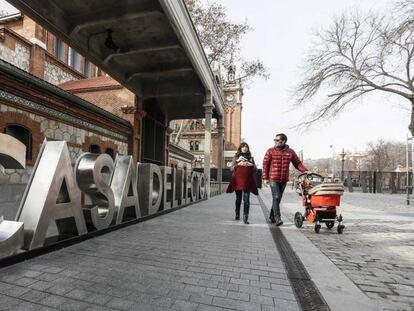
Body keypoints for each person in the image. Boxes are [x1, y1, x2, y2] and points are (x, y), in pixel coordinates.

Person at [262, 133, 308, 226]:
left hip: (283, 179)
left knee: (277, 199)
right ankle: (278, 218)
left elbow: (297, 163)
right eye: (274, 140)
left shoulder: (290, 152)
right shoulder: (270, 151)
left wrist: (306, 171)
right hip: (273, 178)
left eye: (277, 140)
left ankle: (272, 216)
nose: (275, 141)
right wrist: (265, 177)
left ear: (283, 141)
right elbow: (265, 164)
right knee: (276, 197)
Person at [226, 142, 258, 224]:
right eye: (243, 147)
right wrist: (238, 164)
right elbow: (231, 169)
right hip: (238, 181)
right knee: (238, 199)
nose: (245, 148)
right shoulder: (236, 157)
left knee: (246, 200)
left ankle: (245, 217)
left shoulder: (251, 158)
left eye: (246, 147)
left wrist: (250, 164)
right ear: (240, 148)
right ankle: (237, 213)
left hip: (248, 182)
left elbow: (255, 169)